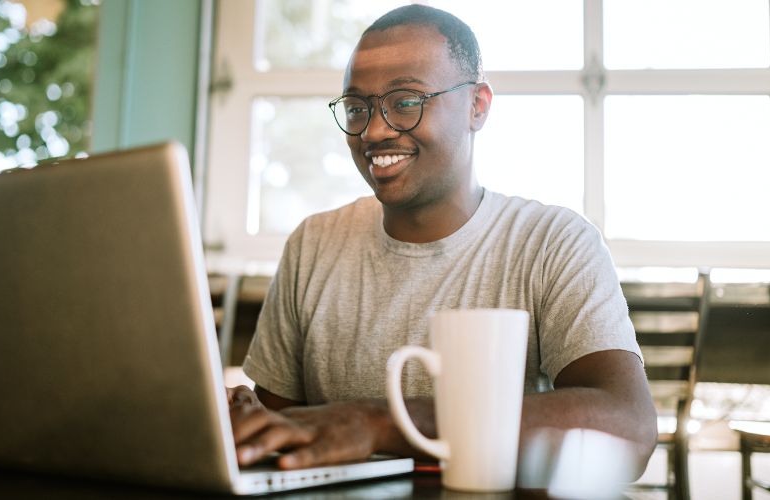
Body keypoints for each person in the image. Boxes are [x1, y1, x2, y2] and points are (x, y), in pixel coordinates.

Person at [227, 4, 656, 476]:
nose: (373, 130)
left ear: (478, 106)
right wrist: (247, 422)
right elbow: (286, 431)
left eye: (405, 102)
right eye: (356, 108)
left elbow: (628, 428)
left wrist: (379, 422)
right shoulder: (313, 244)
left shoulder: (552, 243)